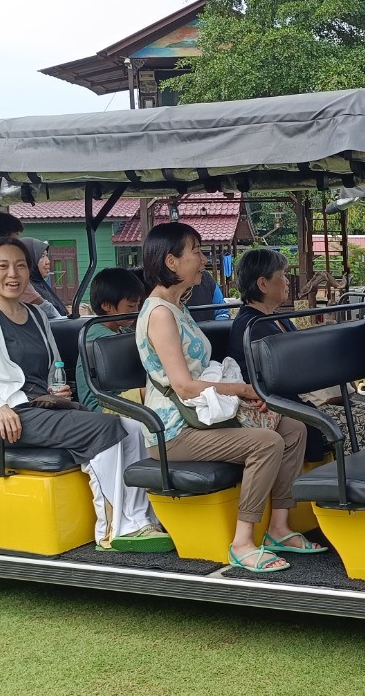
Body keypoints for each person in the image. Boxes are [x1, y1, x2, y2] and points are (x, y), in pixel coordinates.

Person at [0, 237, 166, 551]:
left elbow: (50, 371)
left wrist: (56, 389)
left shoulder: (37, 316)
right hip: (14, 417)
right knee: (105, 427)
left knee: (133, 426)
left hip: (46, 406)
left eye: (21, 266)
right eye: (3, 266)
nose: (13, 274)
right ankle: (116, 528)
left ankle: (141, 519)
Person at [136, 223, 323, 573]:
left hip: (202, 416)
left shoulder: (177, 307)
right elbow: (184, 386)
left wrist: (243, 396)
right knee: (266, 442)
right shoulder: (160, 314)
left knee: (293, 428)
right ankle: (242, 543)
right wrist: (243, 391)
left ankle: (279, 528)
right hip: (175, 431)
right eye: (196, 252)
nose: (203, 260)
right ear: (171, 262)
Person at [227, 249, 365, 459]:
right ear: (263, 284)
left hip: (303, 399)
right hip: (285, 406)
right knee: (359, 422)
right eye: (282, 275)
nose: (287, 281)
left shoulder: (275, 318)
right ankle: (361, 475)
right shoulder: (251, 326)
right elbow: (282, 378)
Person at [76, 267, 146, 412]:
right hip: (101, 406)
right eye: (130, 306)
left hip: (119, 397)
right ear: (106, 305)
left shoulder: (123, 331)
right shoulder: (99, 337)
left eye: (138, 305)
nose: (136, 311)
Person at [22, 237, 66, 320]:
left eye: (47, 256)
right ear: (29, 260)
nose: (47, 261)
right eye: (42, 256)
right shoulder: (26, 289)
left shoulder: (40, 285)